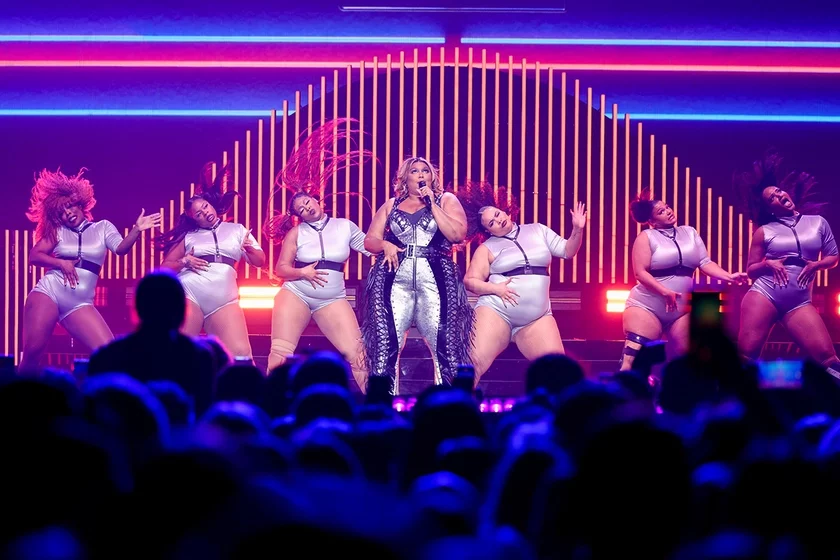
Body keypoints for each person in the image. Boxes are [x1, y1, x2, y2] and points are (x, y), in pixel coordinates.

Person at [264, 119, 371, 391]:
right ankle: (270, 403)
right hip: (296, 293)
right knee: (280, 354)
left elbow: (370, 246)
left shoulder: (344, 225)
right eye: (300, 209)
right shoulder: (296, 233)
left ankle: (377, 404)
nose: (307, 207)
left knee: (359, 355)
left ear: (315, 199)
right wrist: (303, 272)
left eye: (307, 202)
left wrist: (392, 245)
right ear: (298, 216)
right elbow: (280, 269)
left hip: (332, 299)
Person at [19, 168, 161, 372]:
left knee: (111, 354)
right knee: (33, 353)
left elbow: (121, 249)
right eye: (62, 213)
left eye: (69, 207)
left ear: (80, 204)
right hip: (49, 292)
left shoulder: (102, 227)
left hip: (79, 303)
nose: (68, 214)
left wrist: (136, 229)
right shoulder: (58, 231)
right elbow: (34, 256)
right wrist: (61, 263)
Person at [362, 156, 473, 393]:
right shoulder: (391, 204)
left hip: (437, 277)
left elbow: (457, 235)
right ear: (405, 178)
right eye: (415, 171)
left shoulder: (446, 200)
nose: (421, 174)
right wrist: (385, 244)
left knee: (445, 342)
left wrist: (432, 204)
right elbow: (369, 241)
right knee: (386, 342)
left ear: (432, 177)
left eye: (426, 170)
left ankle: (450, 405)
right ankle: (383, 404)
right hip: (392, 277)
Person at [456, 181, 585, 382]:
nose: (498, 220)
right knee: (472, 365)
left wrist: (577, 229)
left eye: (497, 214)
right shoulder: (487, 248)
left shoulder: (537, 230)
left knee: (559, 372)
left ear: (504, 211)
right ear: (488, 231)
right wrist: (495, 289)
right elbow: (470, 281)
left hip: (537, 318)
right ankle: (458, 402)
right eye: (491, 223)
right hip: (496, 312)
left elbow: (568, 251)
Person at [735, 151, 840, 377]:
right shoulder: (764, 231)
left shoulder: (818, 223)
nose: (779, 195)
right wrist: (769, 264)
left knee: (828, 360)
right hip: (764, 294)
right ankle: (730, 398)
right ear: (770, 209)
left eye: (779, 191)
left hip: (799, 302)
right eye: (772, 197)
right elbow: (751, 270)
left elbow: (833, 257)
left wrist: (816, 265)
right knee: (745, 357)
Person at [621, 188, 747, 371]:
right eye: (661, 211)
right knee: (632, 362)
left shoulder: (690, 232)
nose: (668, 211)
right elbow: (640, 273)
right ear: (652, 221)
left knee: (692, 364)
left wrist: (728, 276)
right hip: (647, 306)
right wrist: (665, 292)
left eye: (667, 207)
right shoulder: (646, 237)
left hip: (682, 309)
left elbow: (704, 262)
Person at [158, 162, 265, 359]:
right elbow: (164, 268)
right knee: (179, 354)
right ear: (194, 219)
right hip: (190, 294)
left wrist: (248, 247)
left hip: (224, 300)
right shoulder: (189, 236)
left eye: (205, 207)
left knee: (241, 355)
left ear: (211, 204)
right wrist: (184, 261)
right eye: (198, 213)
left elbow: (260, 261)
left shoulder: (237, 230)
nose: (205, 212)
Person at [88, 270, 216, 414]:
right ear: (183, 311)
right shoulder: (200, 357)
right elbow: (206, 415)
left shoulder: (108, 357)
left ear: (136, 309)